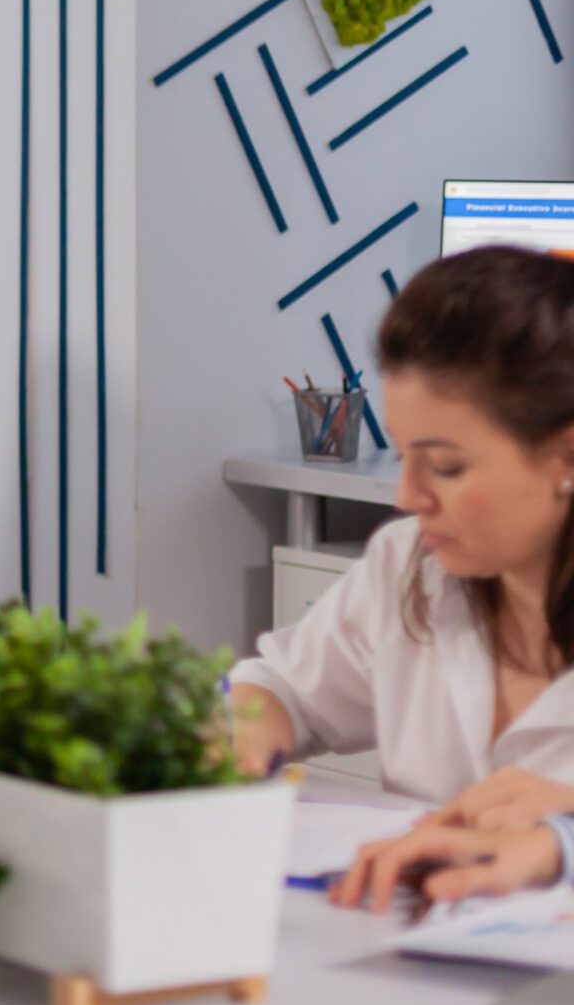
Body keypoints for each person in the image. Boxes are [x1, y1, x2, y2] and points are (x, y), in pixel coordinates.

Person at [224, 248, 574, 909]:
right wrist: (243, 731)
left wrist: (561, 839)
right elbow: (282, 685)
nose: (408, 495)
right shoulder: (410, 564)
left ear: (566, 453)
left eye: (443, 465)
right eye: (403, 454)